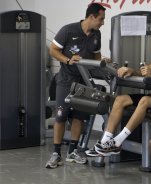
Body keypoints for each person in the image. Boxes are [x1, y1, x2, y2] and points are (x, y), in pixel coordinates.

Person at [85, 29, 151, 157]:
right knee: (120, 99)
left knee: (145, 100)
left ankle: (117, 142)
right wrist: (131, 71)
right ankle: (104, 143)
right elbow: (144, 73)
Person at [45, 3, 106, 169]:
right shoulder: (68, 30)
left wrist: (102, 62)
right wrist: (67, 60)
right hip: (66, 79)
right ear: (91, 17)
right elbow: (53, 50)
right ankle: (56, 154)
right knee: (61, 115)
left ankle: (72, 152)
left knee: (79, 116)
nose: (102, 22)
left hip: (84, 80)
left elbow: (96, 56)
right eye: (101, 19)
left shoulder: (96, 34)